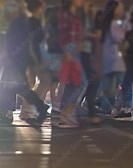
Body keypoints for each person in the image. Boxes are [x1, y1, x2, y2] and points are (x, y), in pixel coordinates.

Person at [0, 1, 49, 124]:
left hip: (14, 61)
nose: (5, 14)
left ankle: (3, 114)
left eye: (6, 11)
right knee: (19, 88)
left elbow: (12, 45)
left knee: (4, 86)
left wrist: (2, 61)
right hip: (19, 61)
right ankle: (40, 107)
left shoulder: (17, 24)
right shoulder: (21, 23)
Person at [57, 0, 87, 128]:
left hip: (75, 50)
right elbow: (62, 34)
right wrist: (66, 51)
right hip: (70, 50)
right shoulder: (66, 15)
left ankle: (66, 115)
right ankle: (66, 114)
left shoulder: (74, 15)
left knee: (73, 83)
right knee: (79, 82)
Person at [100, 0, 127, 119]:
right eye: (120, 9)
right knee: (124, 84)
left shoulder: (104, 23)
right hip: (116, 60)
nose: (122, 11)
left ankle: (115, 108)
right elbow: (121, 40)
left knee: (108, 87)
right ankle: (122, 109)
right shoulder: (113, 24)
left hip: (107, 60)